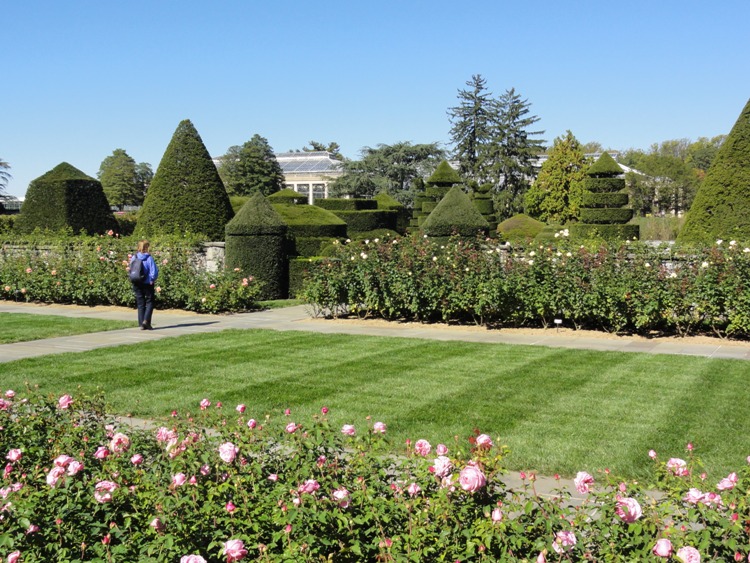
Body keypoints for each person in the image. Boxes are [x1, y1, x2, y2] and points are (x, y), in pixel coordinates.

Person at [130, 240, 159, 330]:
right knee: (150, 301)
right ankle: (146, 321)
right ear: (147, 247)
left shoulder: (134, 257)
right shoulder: (149, 258)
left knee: (140, 303)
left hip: (137, 282)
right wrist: (152, 279)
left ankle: (141, 323)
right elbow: (154, 271)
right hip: (147, 283)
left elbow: (131, 269)